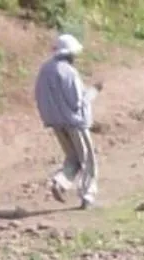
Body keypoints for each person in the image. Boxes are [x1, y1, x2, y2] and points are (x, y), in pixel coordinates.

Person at [34, 33, 98, 208]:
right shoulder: (69, 72)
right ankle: (87, 196)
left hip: (55, 122)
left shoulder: (45, 70)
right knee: (87, 160)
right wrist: (94, 91)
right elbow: (77, 101)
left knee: (73, 158)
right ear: (69, 54)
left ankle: (60, 182)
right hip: (75, 123)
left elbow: (39, 95)